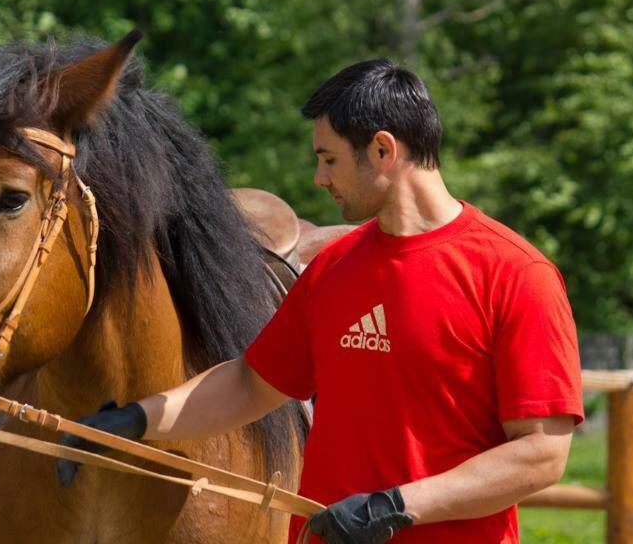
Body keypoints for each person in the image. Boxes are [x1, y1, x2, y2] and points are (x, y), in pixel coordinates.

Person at [56, 59, 584, 543]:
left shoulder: (516, 275)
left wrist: (397, 505)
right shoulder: (335, 267)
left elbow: (540, 453)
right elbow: (247, 385)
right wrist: (130, 422)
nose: (319, 178)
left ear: (382, 150)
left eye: (329, 159)